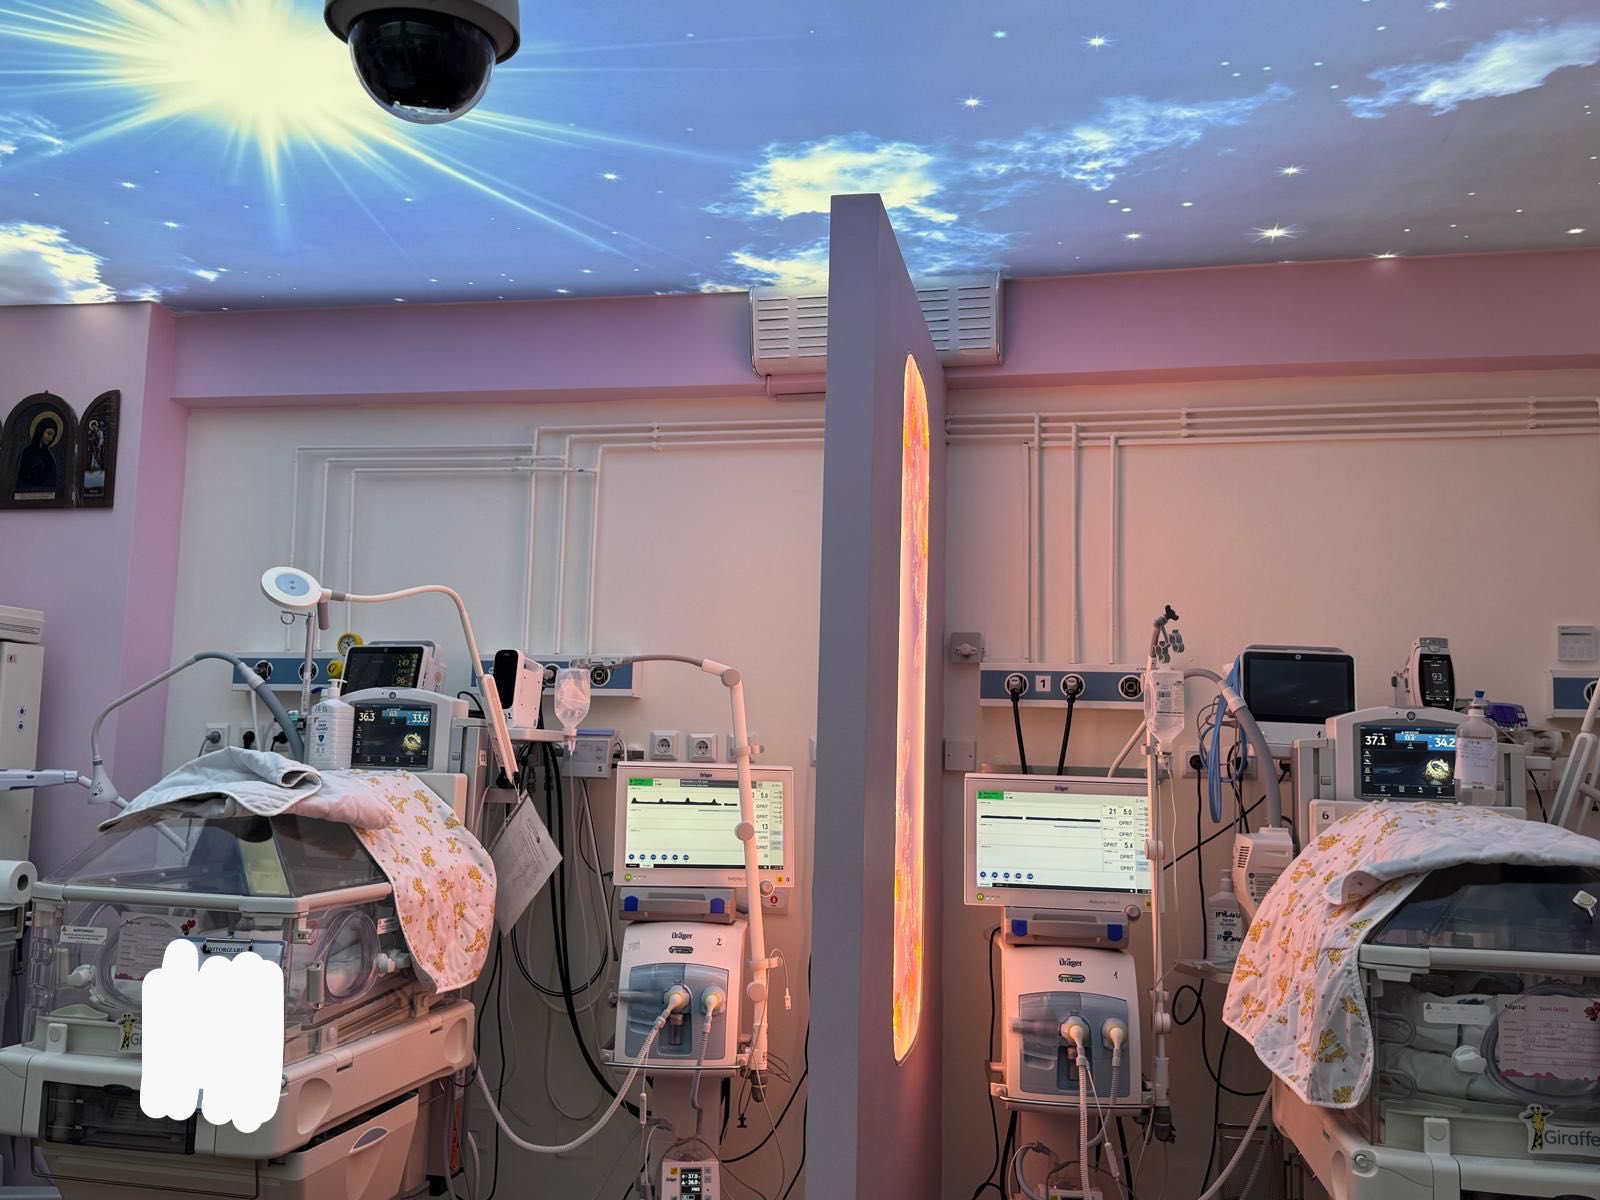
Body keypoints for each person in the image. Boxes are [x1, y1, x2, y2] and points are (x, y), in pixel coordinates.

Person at [16, 420, 60, 494]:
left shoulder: (49, 456)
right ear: (40, 431)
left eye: (53, 436)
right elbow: (21, 475)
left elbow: (52, 479)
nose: (51, 438)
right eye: (49, 434)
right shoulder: (27, 452)